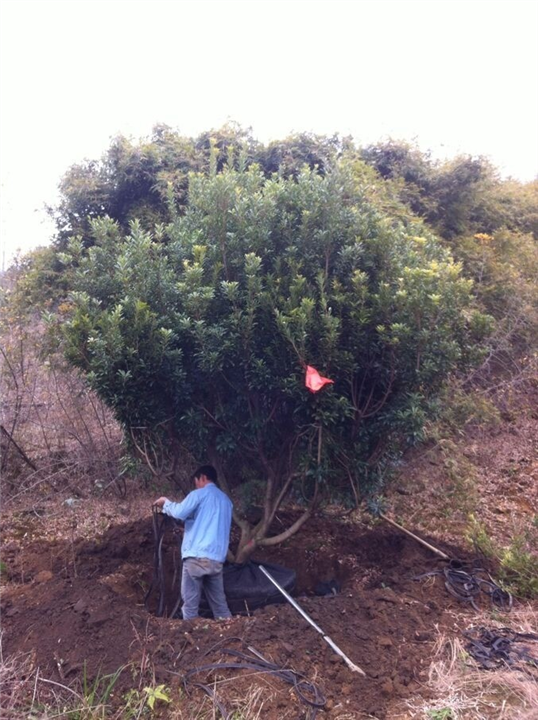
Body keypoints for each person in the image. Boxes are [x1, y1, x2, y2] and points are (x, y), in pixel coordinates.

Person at [153, 465, 233, 620]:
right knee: (220, 607)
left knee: (190, 607)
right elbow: (210, 524)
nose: (196, 485)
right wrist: (187, 531)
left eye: (196, 481)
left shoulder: (199, 495)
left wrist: (166, 503)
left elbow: (180, 512)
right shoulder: (226, 501)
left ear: (202, 478)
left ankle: (191, 639)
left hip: (196, 558)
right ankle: (230, 634)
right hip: (216, 559)